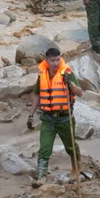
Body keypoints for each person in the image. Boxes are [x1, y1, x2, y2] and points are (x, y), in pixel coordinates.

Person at [33, 44, 81, 184]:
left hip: (64, 118)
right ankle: (41, 176)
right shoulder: (42, 75)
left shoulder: (67, 73)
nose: (56, 63)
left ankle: (76, 168)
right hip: (48, 118)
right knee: (44, 147)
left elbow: (80, 93)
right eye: (52, 60)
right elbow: (36, 95)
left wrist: (70, 84)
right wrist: (31, 115)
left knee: (71, 146)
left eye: (58, 60)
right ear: (46, 61)